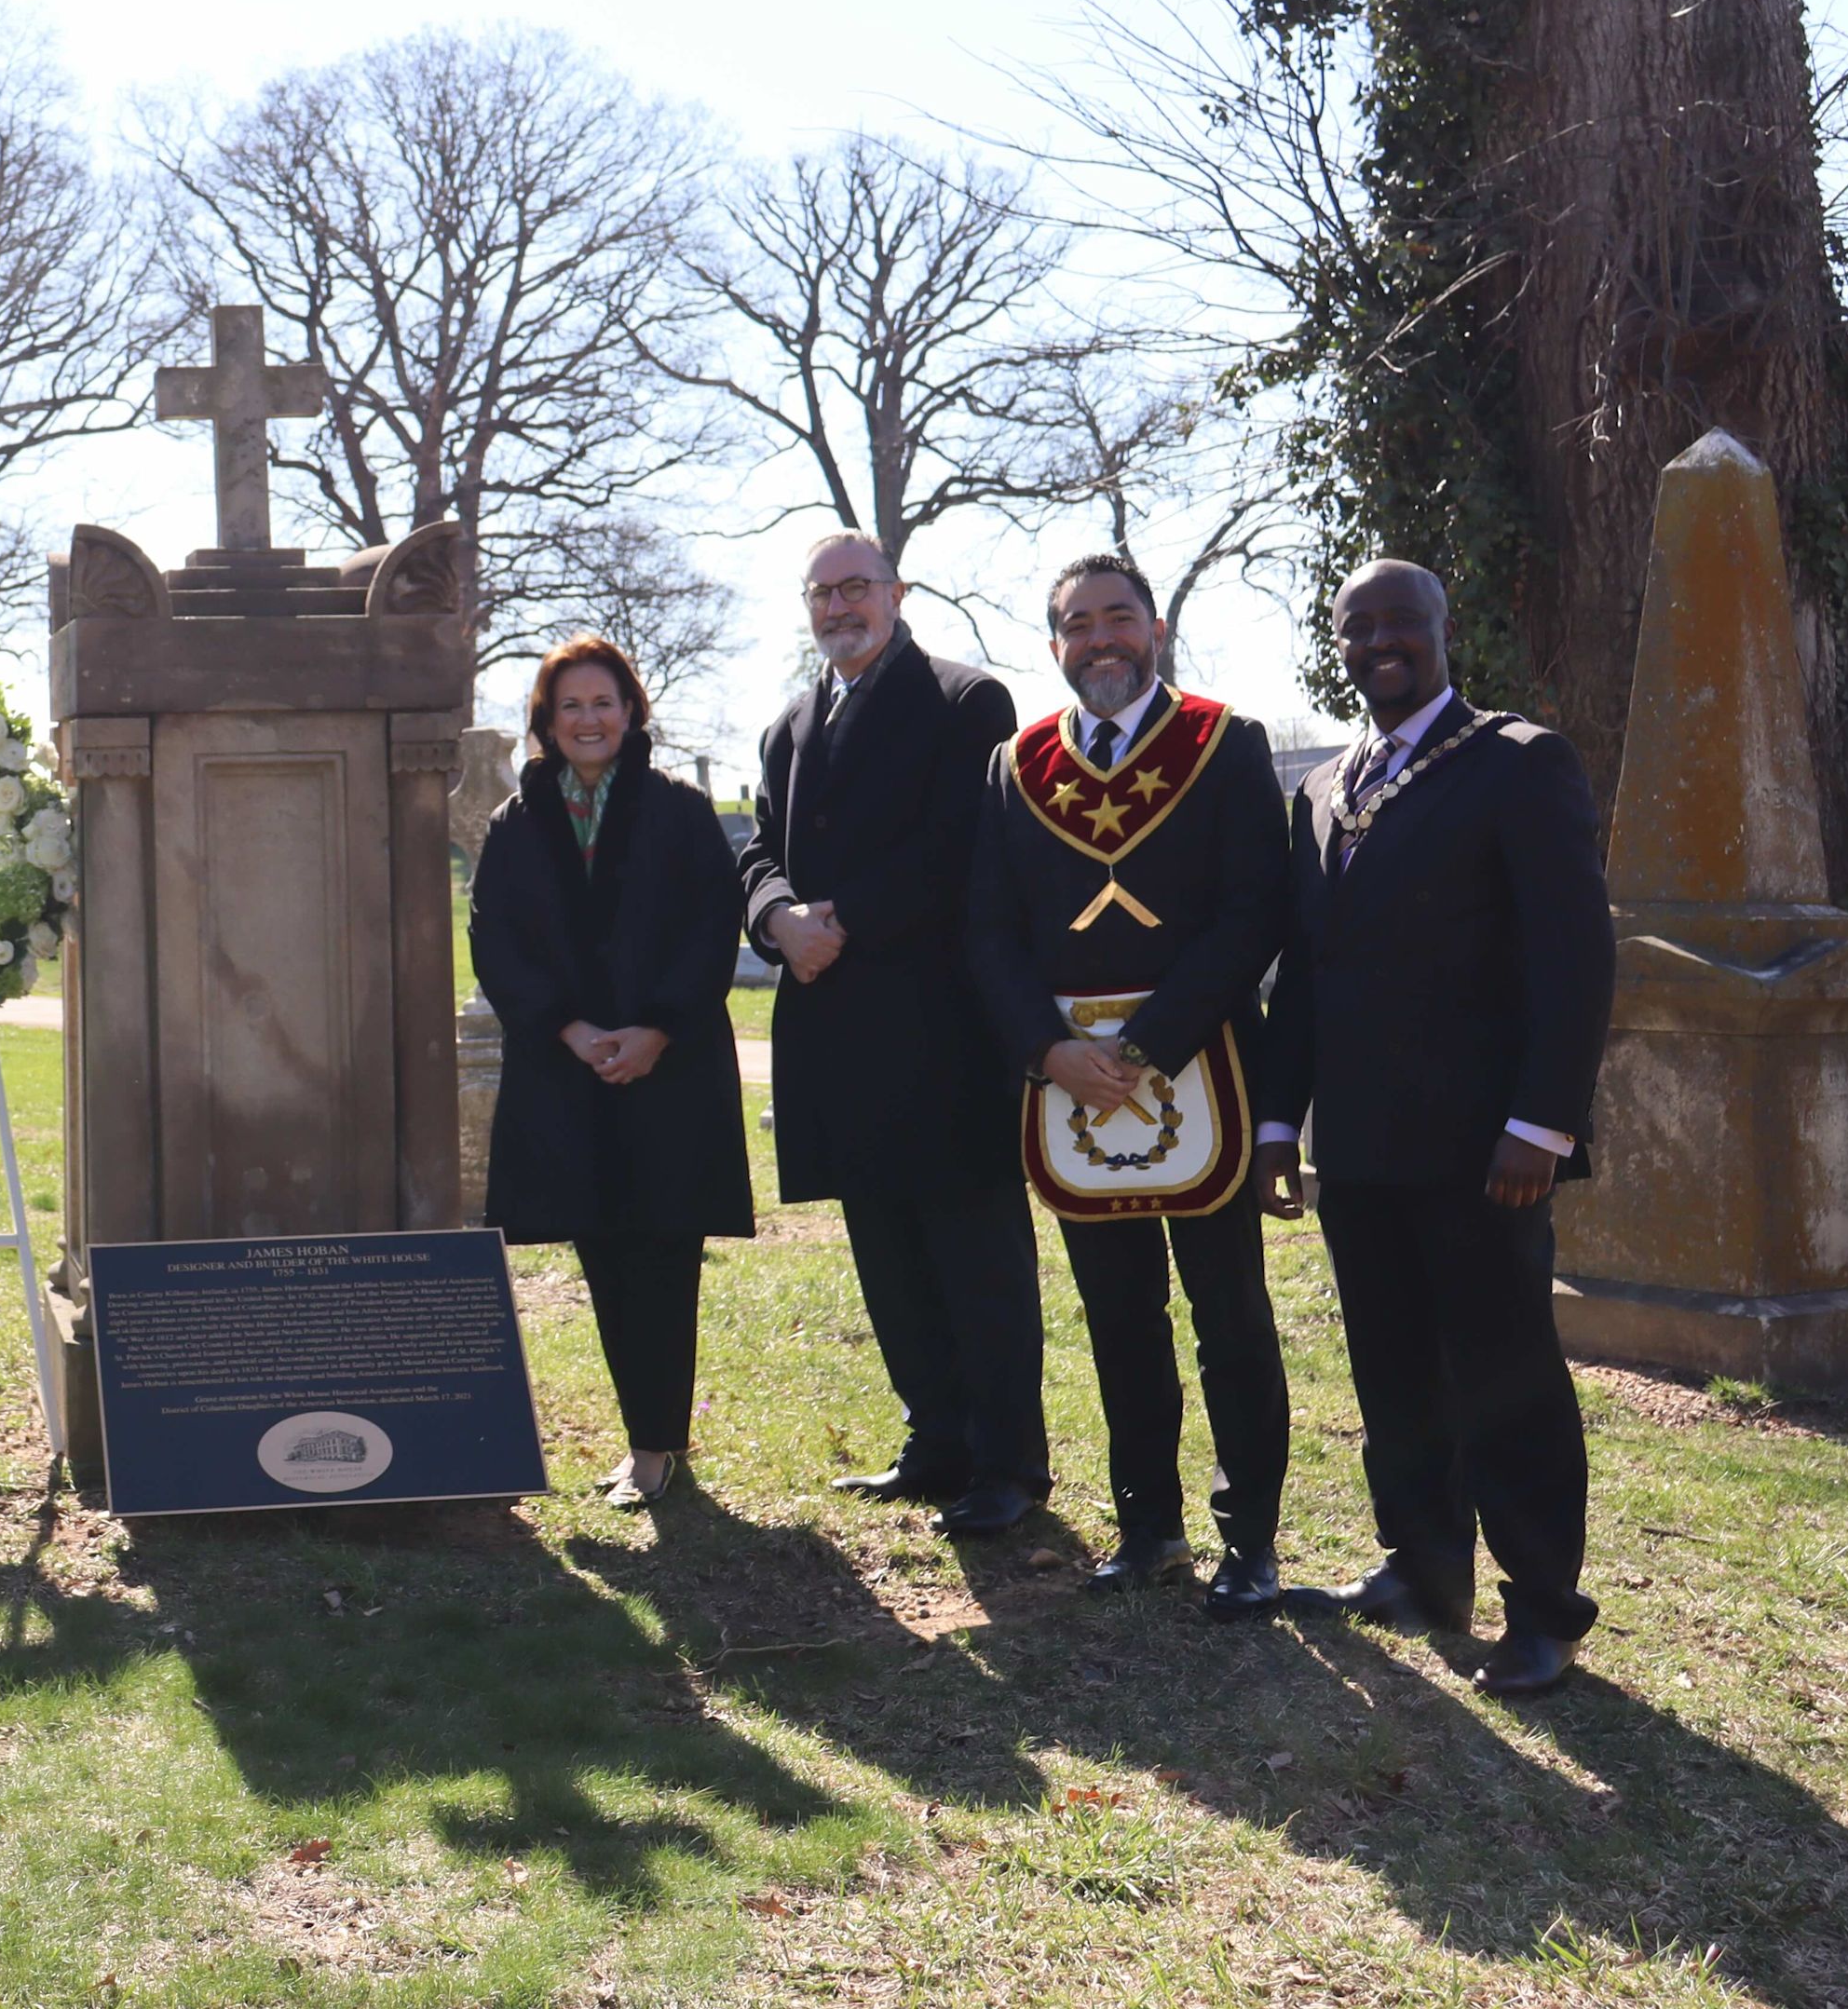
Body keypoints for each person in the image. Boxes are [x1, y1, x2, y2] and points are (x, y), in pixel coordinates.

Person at [1257, 559, 1615, 1696]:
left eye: (1401, 621)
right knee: (1393, 1367)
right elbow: (1304, 981)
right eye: (1356, 628)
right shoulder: (1324, 791)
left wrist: (1543, 1123)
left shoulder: (1517, 762)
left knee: (1501, 1370)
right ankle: (1423, 1569)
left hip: (1483, 1148)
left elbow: (1575, 955)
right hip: (1357, 1149)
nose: (1380, 643)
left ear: (1444, 628)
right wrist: (1278, 1123)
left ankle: (1546, 1607)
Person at [967, 555, 1291, 1618]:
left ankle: (1252, 1542)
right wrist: (1046, 1053)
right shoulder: (1015, 766)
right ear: (1053, 641)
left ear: (1154, 628)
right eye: (1076, 625)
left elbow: (1254, 913)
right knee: (1118, 1315)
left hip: (1201, 1072)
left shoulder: (1224, 741)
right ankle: (1147, 1524)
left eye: (1118, 619)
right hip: (1069, 1085)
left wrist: (1150, 1045)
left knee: (1231, 1315)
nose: (1100, 640)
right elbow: (991, 934)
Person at [741, 530, 1050, 1539]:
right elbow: (757, 851)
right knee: (885, 1251)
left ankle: (1009, 1463)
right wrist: (777, 918)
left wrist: (840, 923)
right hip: (834, 1034)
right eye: (820, 592)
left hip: (941, 1029)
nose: (838, 607)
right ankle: (935, 1442)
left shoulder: (968, 702)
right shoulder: (788, 727)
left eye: (855, 588)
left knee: (975, 1255)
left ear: (898, 593)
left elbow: (960, 845)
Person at [468, 634, 754, 1509]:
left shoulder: (680, 809)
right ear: (545, 725)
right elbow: (495, 938)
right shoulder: (516, 824)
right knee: (604, 1255)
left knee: (665, 1255)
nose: (588, 719)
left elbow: (712, 928)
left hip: (669, 1071)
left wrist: (656, 1030)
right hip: (570, 1071)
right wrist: (572, 1028)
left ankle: (658, 1446)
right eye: (570, 707)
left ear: (632, 712)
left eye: (603, 703)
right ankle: (645, 1438)